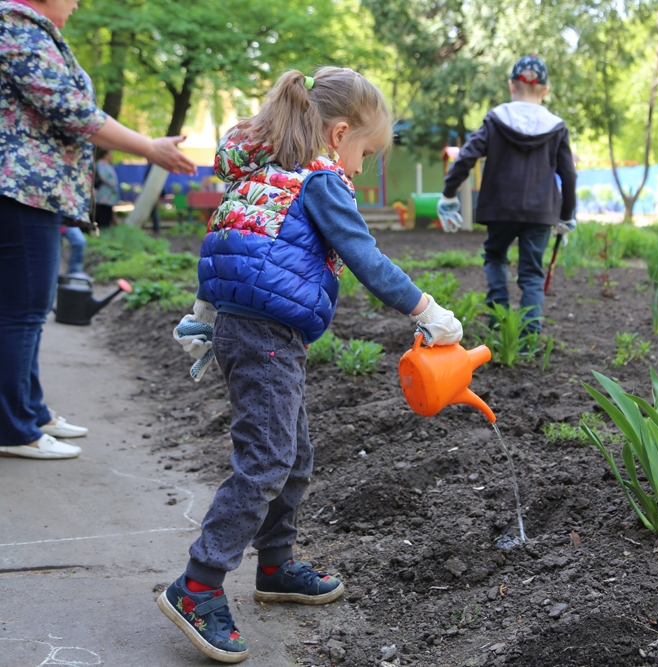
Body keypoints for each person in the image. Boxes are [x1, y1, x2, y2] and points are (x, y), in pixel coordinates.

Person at [160, 67, 463, 663]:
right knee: (268, 460)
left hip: (250, 329)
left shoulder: (265, 174)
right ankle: (196, 586)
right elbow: (365, 258)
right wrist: (427, 311)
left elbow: (227, 245)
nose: (359, 169)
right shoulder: (321, 180)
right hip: (266, 336)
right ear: (339, 133)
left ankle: (275, 567)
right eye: (364, 154)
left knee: (293, 454)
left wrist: (202, 317)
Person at [0, 0, 196, 460]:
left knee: (27, 310)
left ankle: (31, 412)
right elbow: (71, 111)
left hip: (32, 192)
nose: (76, 2)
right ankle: (14, 429)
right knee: (20, 313)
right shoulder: (13, 25)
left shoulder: (31, 28)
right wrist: (147, 146)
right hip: (20, 191)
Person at [436, 54, 577, 334]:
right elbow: (569, 174)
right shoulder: (557, 127)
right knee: (532, 273)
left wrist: (449, 194)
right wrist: (567, 215)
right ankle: (528, 337)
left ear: (512, 85)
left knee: (496, 256)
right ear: (545, 91)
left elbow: (466, 157)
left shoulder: (495, 119)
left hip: (499, 208)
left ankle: (498, 320)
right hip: (540, 213)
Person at [93, 147, 119, 229]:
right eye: (110, 154)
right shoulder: (101, 164)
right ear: (105, 155)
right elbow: (103, 176)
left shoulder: (106, 164)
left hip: (108, 197)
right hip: (104, 195)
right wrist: (112, 184)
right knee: (103, 215)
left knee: (107, 214)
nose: (111, 156)